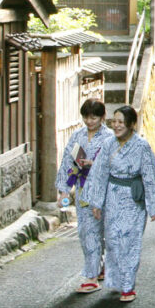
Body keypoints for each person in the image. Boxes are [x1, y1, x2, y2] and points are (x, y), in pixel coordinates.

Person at [79, 103, 155, 301]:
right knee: (114, 242)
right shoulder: (109, 144)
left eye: (121, 122)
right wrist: (96, 203)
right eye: (114, 122)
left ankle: (128, 287)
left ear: (132, 124)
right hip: (112, 197)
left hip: (134, 200)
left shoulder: (142, 146)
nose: (116, 126)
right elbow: (99, 173)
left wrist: (152, 205)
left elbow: (150, 175)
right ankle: (116, 281)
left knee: (130, 243)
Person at [55, 98, 117, 294]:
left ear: (102, 117)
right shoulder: (77, 136)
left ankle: (105, 265)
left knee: (108, 232)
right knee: (87, 231)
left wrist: (95, 164)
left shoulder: (110, 137)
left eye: (94, 117)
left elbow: (116, 163)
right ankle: (91, 276)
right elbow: (68, 163)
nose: (89, 121)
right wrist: (64, 191)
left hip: (106, 190)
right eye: (86, 117)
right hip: (83, 191)